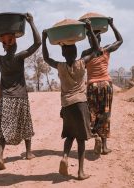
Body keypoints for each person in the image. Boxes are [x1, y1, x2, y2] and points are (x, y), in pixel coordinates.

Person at [42, 19, 98, 180]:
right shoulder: (82, 63)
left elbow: (46, 58)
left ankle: (65, 157)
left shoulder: (60, 66)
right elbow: (96, 49)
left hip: (66, 105)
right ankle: (80, 172)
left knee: (69, 135)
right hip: (80, 103)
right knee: (81, 139)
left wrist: (45, 39)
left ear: (63, 54)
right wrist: (89, 29)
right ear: (75, 52)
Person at [0, 13, 41, 171]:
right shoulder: (19, 57)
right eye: (14, 41)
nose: (16, 43)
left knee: (3, 128)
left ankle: (0, 157)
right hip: (20, 97)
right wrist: (31, 22)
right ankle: (29, 152)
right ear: (11, 45)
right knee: (25, 124)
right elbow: (37, 43)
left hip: (5, 99)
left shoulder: (0, 60)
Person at [81, 17, 123, 155]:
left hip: (92, 85)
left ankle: (97, 137)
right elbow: (120, 40)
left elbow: (81, 69)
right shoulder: (106, 50)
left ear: (89, 38)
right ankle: (104, 146)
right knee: (105, 115)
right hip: (106, 84)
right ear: (99, 39)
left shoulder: (86, 54)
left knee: (93, 114)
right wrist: (112, 24)